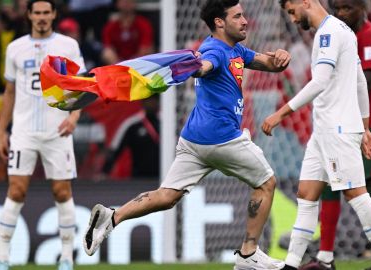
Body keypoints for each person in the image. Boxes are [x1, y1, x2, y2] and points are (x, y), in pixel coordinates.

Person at [83, 1, 291, 269]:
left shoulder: (235, 48)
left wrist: (281, 56)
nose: (245, 21)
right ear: (219, 22)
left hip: (193, 140)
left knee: (167, 195)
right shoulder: (214, 50)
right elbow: (205, 65)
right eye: (237, 16)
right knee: (266, 182)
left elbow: (270, 64)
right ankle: (249, 254)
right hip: (221, 139)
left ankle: (112, 216)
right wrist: (196, 67)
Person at [263, 0, 371, 269]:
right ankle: (292, 264)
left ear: (305, 2)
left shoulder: (327, 33)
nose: (292, 19)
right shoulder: (343, 31)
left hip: (336, 129)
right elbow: (360, 81)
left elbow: (321, 81)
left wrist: (280, 113)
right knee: (307, 193)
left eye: (292, 11)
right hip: (325, 130)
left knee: (356, 194)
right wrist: (364, 128)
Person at [301, 0, 371, 269]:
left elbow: (364, 82)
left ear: (362, 8)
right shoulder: (341, 35)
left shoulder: (370, 36)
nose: (342, 13)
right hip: (342, 125)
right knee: (331, 186)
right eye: (338, 8)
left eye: (347, 8)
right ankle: (326, 257)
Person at [0, 1, 85, 270]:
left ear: (54, 15)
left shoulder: (68, 46)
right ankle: (2, 259)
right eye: (38, 13)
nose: (42, 18)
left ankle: (67, 258)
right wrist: (1, 131)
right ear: (29, 15)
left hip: (57, 129)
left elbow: (81, 85)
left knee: (61, 191)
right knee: (16, 190)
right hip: (23, 131)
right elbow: (9, 92)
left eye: (47, 13)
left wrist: (74, 116)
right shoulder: (15, 48)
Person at [101, 94, 160, 179]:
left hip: (164, 177)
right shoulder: (132, 124)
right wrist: (104, 172)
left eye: (155, 100)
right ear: (143, 102)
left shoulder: (167, 124)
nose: (152, 103)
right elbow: (115, 150)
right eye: (149, 100)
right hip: (138, 178)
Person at [101, 0, 154, 64]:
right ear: (117, 4)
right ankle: (118, 71)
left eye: (129, 1)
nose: (126, 3)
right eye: (123, 1)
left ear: (134, 3)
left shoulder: (143, 24)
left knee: (149, 49)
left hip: (138, 62)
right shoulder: (110, 27)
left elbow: (145, 47)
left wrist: (132, 64)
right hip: (117, 62)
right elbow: (108, 48)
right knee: (107, 53)